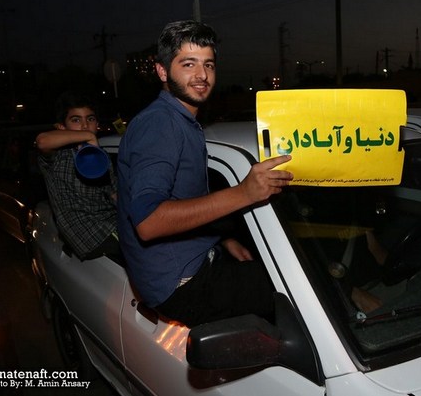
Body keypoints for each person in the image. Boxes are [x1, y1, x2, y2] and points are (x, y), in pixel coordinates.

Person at [117, 20, 294, 327]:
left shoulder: (181, 120)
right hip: (180, 284)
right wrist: (245, 192)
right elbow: (147, 222)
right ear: (162, 71)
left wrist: (222, 237)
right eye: (188, 64)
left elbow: (184, 198)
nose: (201, 75)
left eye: (208, 65)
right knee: (300, 293)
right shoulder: (160, 125)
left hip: (194, 258)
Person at [36, 91, 119, 261]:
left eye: (90, 119)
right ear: (61, 127)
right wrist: (88, 136)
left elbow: (113, 194)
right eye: (76, 120)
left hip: (113, 226)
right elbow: (42, 141)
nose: (84, 125)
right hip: (91, 236)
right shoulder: (59, 156)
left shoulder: (102, 156)